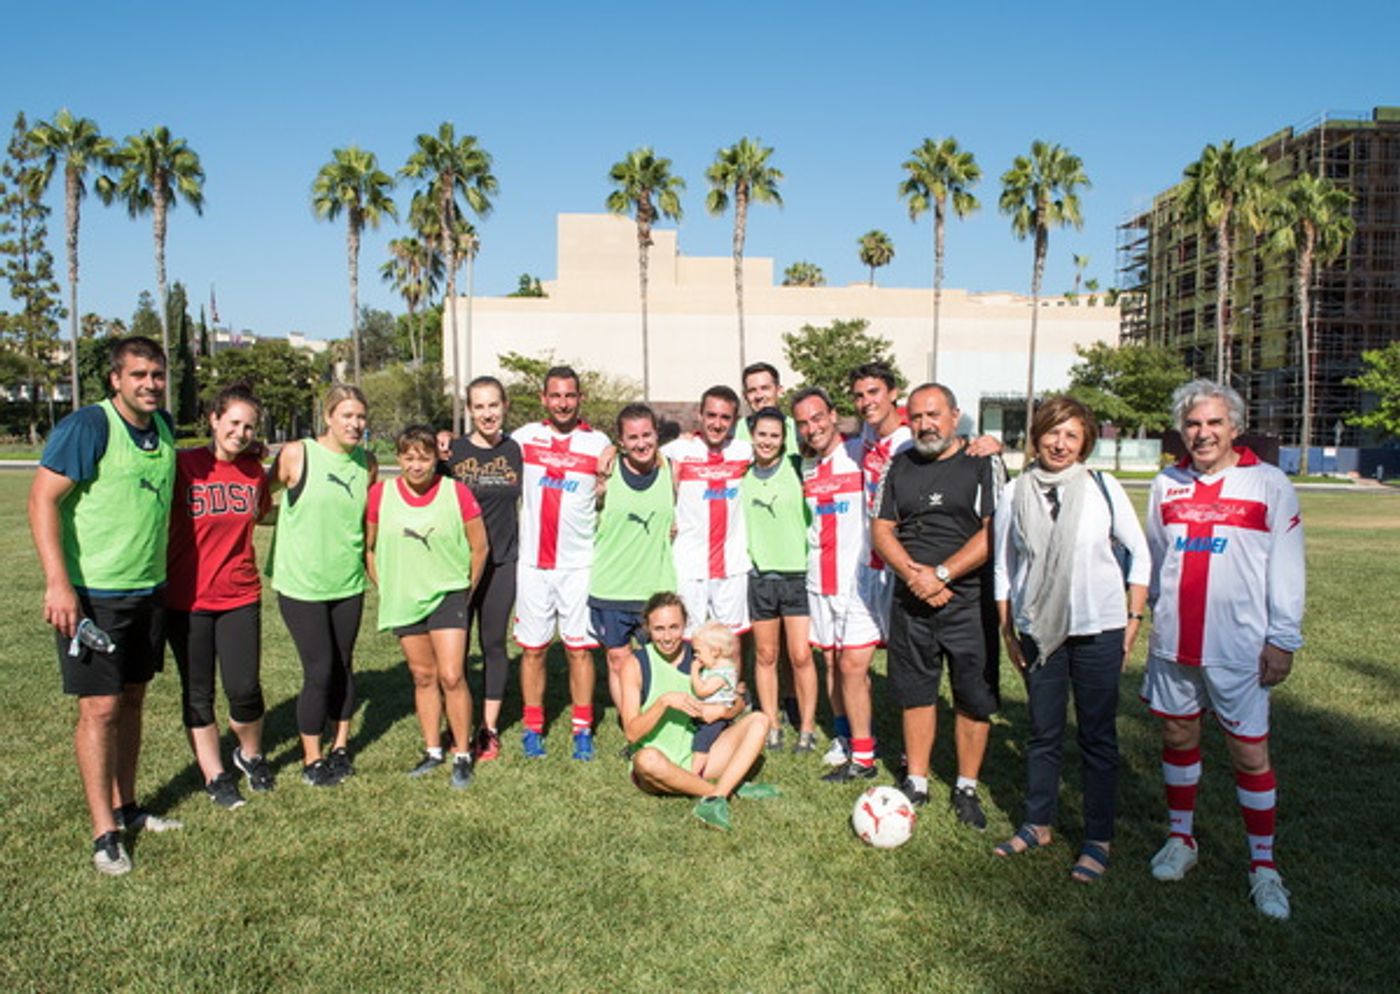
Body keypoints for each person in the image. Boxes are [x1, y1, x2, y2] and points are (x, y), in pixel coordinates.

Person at [1141, 379, 1304, 920]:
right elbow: (1158, 559)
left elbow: (1287, 565)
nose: (1203, 433)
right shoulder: (1166, 485)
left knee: (1248, 751)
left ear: (1235, 426)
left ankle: (1264, 866)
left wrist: (1282, 638)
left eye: (1214, 423)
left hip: (1239, 645)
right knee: (1177, 733)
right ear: (1181, 431)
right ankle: (1181, 840)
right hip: (1175, 642)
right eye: (1193, 424)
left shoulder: (1268, 483)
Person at [29, 336, 182, 875]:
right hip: (94, 594)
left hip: (147, 590)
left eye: (157, 375)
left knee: (134, 700)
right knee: (99, 708)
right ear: (116, 379)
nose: (150, 384)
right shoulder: (89, 427)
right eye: (138, 375)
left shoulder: (162, 429)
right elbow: (43, 499)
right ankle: (103, 832)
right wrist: (58, 583)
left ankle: (127, 805)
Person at [991, 396, 1150, 881]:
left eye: (1071, 435)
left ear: (1084, 444)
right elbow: (1004, 566)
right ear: (1037, 435)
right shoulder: (1015, 491)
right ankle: (1037, 822)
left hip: (1098, 628)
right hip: (1039, 631)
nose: (1059, 444)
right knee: (1043, 732)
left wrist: (1132, 620)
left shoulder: (1102, 487)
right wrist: (1008, 630)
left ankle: (1097, 838)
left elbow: (1140, 555)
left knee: (1098, 736)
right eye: (1052, 432)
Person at [871, 382, 999, 827]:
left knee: (972, 695)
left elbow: (994, 530)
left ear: (954, 415)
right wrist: (915, 575)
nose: (925, 425)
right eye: (917, 417)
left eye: (934, 415)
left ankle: (966, 786)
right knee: (916, 691)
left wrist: (943, 574)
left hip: (967, 599)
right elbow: (882, 528)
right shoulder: (899, 464)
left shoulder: (983, 462)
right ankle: (917, 781)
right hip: (912, 596)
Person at [165, 383, 275, 810]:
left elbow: (261, 514)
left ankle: (249, 754)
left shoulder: (252, 473)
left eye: (249, 426)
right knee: (198, 693)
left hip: (239, 594)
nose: (241, 432)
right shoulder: (182, 465)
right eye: (233, 423)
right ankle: (214, 774)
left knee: (244, 688)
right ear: (213, 419)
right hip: (186, 598)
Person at [367, 426, 488, 789]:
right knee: (423, 676)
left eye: (424, 457)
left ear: (437, 458)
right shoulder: (380, 494)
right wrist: (386, 586)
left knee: (452, 675)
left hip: (448, 594)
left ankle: (463, 754)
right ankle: (433, 750)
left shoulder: (456, 492)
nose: (416, 465)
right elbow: (369, 548)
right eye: (408, 457)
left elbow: (479, 547)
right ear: (399, 458)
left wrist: (466, 590)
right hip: (405, 597)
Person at [268, 384, 377, 787]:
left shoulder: (366, 463)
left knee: (344, 665)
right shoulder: (298, 454)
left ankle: (341, 747)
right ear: (328, 416)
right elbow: (263, 497)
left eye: (361, 417)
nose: (355, 424)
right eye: (347, 415)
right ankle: (312, 759)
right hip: (302, 585)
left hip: (347, 582)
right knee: (319, 669)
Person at [511, 366, 614, 760]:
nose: (563, 403)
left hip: (579, 566)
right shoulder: (524, 439)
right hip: (533, 565)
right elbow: (486, 453)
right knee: (534, 650)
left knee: (579, 649)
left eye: (569, 395)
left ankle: (582, 728)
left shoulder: (598, 442)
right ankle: (533, 726)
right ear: (543, 398)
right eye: (555, 395)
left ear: (580, 397)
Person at [791, 387, 885, 783]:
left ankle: (865, 749)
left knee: (853, 665)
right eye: (803, 423)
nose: (812, 428)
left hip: (856, 579)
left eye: (817, 418)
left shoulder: (860, 453)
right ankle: (844, 737)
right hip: (819, 578)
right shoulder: (807, 467)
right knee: (830, 661)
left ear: (832, 415)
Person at [621, 593, 777, 831]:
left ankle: (714, 796)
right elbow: (632, 733)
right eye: (659, 629)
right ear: (647, 629)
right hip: (657, 764)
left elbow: (736, 701)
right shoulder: (636, 664)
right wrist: (663, 702)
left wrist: (721, 713)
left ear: (685, 625)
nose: (667, 637)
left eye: (674, 627)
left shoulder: (700, 654)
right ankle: (724, 790)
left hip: (699, 756)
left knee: (760, 720)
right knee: (647, 759)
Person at [447, 377, 523, 761]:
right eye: (479, 407)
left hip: (502, 561)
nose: (487, 413)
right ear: (469, 411)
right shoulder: (453, 452)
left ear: (504, 406)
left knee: (493, 644)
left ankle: (488, 728)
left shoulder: (517, 451)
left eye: (493, 405)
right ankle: (458, 722)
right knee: (455, 649)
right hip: (458, 566)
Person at [588, 403, 675, 713]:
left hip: (657, 588)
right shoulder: (606, 473)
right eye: (633, 437)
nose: (642, 444)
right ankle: (633, 727)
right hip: (611, 586)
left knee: (662, 660)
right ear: (621, 441)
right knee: (619, 662)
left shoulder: (672, 470)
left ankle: (661, 722)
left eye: (647, 435)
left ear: (657, 435)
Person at [740, 407, 817, 752]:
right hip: (761, 578)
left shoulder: (799, 467)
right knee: (766, 655)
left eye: (774, 435)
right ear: (752, 437)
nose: (767, 441)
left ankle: (807, 726)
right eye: (761, 435)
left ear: (784, 439)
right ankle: (771, 723)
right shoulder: (742, 476)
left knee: (800, 655)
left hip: (797, 577)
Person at [662, 385, 753, 638]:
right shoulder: (678, 450)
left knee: (729, 641)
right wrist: (611, 449)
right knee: (687, 638)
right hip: (689, 564)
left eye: (725, 417)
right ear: (699, 415)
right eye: (711, 415)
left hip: (732, 565)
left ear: (734, 421)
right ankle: (689, 679)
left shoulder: (745, 452)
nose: (717, 423)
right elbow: (636, 458)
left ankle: (728, 680)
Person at [689, 620, 740, 769]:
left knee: (701, 744)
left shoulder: (722, 673)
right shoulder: (713, 669)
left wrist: (694, 671)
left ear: (715, 651)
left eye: (698, 651)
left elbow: (702, 691)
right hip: (707, 714)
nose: (696, 657)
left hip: (714, 719)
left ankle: (694, 773)